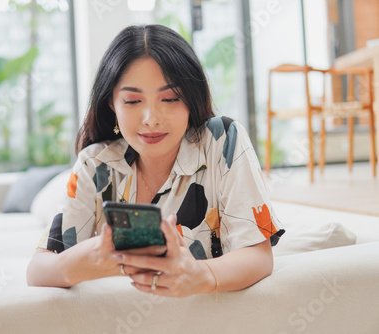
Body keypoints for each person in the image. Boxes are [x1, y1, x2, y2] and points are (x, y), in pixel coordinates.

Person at [27, 24, 284, 298]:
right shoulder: (96, 163)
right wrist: (87, 261)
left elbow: (259, 256)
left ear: (190, 99)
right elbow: (38, 269)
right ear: (112, 104)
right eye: (132, 101)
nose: (151, 118)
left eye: (170, 98)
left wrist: (202, 276)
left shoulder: (223, 140)